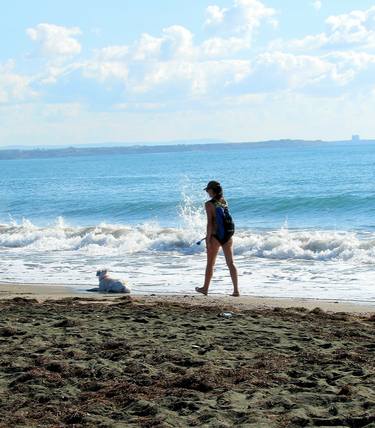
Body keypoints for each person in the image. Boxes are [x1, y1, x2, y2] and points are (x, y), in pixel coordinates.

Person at [195, 181, 239, 297]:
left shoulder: (209, 204)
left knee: (210, 263)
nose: (207, 192)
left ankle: (205, 288)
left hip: (215, 236)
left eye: (208, 190)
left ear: (212, 190)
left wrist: (208, 240)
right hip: (227, 236)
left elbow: (210, 223)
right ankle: (236, 290)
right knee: (231, 263)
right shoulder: (224, 202)